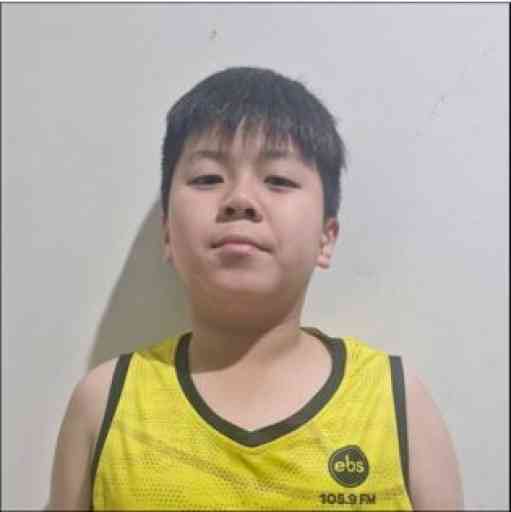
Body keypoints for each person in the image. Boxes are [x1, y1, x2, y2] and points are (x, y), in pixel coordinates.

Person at [47, 67, 463, 510]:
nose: (240, 200)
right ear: (167, 234)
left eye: (278, 180)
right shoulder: (103, 404)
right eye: (208, 178)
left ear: (326, 238)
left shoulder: (396, 403)